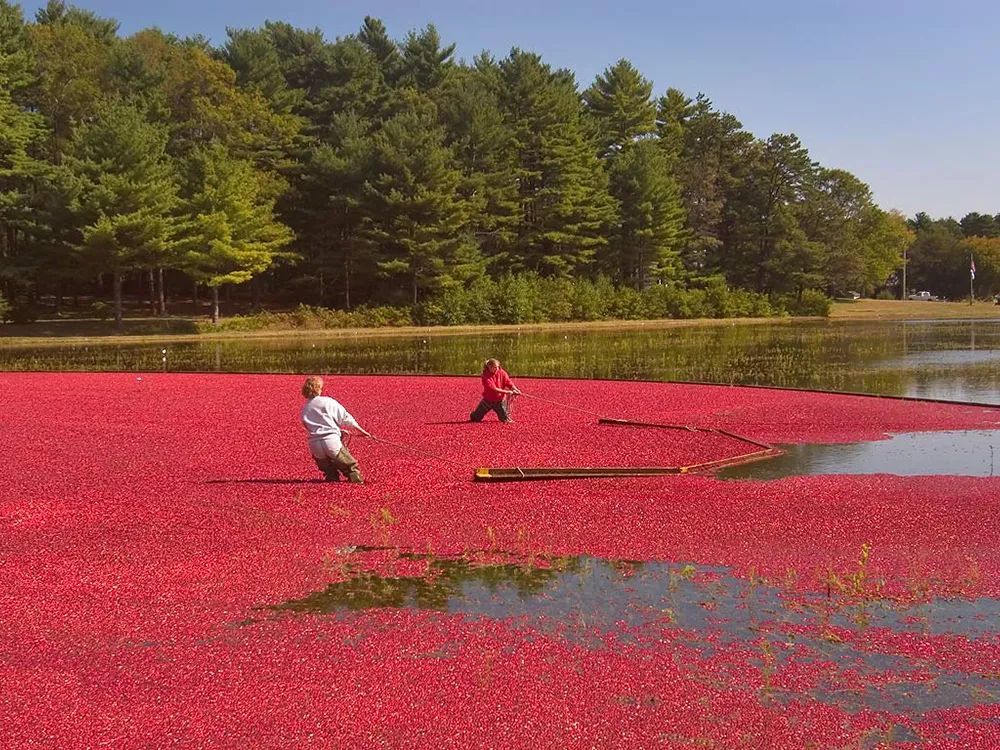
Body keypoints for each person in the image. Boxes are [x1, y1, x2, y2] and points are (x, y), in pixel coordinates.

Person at [300, 376, 371, 484]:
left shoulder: (305, 408)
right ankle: (357, 483)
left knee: (329, 471)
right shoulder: (328, 402)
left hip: (314, 445)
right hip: (331, 442)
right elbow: (346, 418)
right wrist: (362, 431)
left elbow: (310, 426)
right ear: (319, 388)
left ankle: (332, 480)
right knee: (350, 467)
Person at [470, 358, 520, 423]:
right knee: (475, 418)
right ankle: (474, 414)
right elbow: (493, 389)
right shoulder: (485, 375)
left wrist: (515, 389)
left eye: (497, 367)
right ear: (489, 367)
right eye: (494, 367)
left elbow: (508, 382)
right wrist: (507, 392)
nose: (496, 369)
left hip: (500, 401)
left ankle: (504, 416)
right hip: (488, 400)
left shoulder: (502, 372)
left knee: (505, 420)